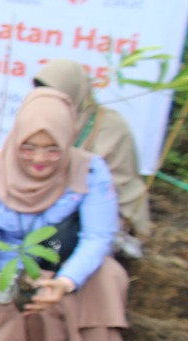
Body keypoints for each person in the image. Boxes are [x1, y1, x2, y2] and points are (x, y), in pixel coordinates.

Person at [0, 87, 130, 341]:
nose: (39, 160)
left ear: (68, 141)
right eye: (28, 148)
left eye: (52, 150)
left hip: (70, 262)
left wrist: (66, 282)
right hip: (16, 268)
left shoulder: (90, 171)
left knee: (110, 275)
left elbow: (97, 237)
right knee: (26, 306)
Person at [34, 58, 151, 258]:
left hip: (95, 206)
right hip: (43, 201)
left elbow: (117, 184)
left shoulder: (111, 128)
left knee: (62, 241)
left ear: (72, 93)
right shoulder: (39, 120)